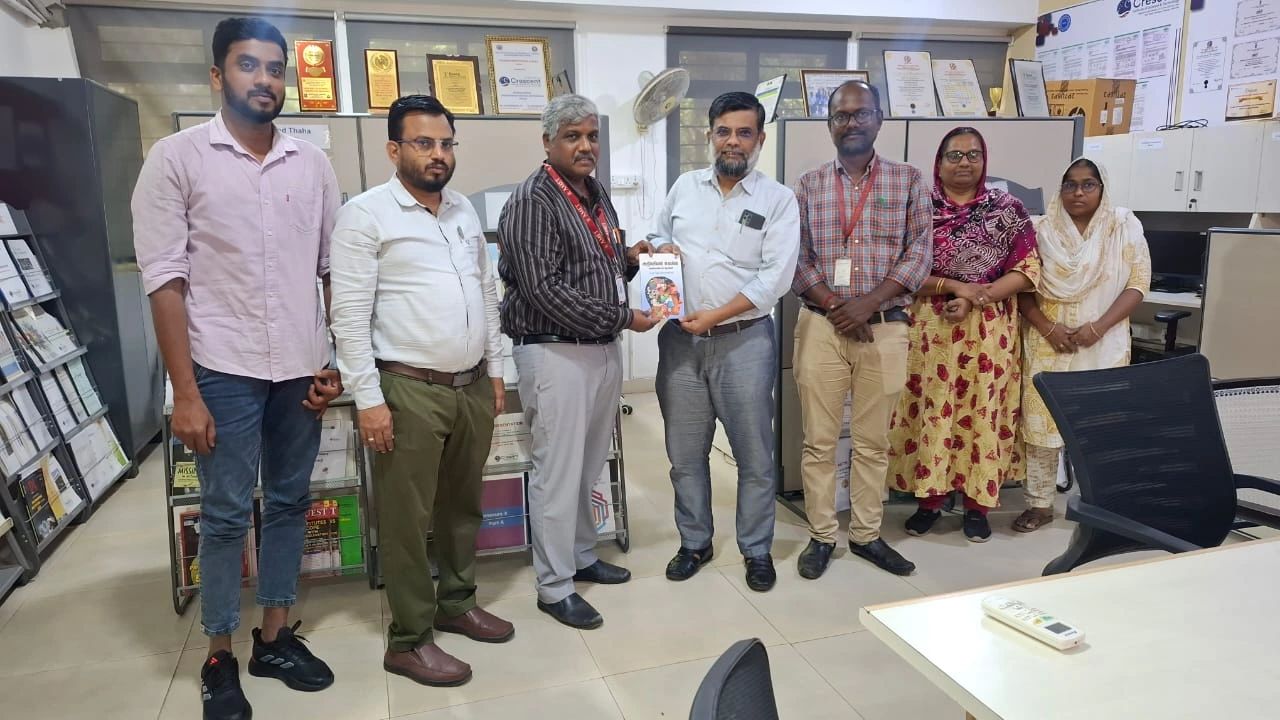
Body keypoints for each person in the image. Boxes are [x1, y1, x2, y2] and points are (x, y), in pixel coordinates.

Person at [132, 17, 342, 720]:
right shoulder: (176, 158)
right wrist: (185, 393)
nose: (265, 79)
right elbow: (165, 282)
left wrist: (333, 358)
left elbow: (330, 270)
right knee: (224, 514)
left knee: (288, 501)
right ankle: (219, 655)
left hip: (300, 367)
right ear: (218, 76)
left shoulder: (311, 164)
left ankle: (274, 637)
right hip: (220, 368)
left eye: (275, 68)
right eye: (249, 65)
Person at [329, 95, 515, 688]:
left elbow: (485, 294)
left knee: (462, 506)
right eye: (424, 143)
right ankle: (409, 639)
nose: (439, 154)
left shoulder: (461, 211)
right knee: (407, 520)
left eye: (446, 143)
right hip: (407, 389)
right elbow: (348, 317)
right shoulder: (365, 215)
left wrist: (495, 370)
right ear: (394, 149)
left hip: (470, 386)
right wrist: (369, 400)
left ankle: (456, 603)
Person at [497, 94, 658, 629]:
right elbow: (544, 290)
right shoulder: (533, 200)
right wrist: (623, 316)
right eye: (572, 137)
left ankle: (583, 556)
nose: (586, 146)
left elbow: (596, 266)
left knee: (589, 466)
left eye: (592, 136)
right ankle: (553, 585)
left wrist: (631, 259)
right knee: (558, 473)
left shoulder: (594, 191)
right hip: (555, 352)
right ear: (548, 142)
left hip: (600, 349)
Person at [651, 91, 800, 592]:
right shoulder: (684, 188)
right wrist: (662, 248)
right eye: (723, 131)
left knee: (754, 457)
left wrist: (715, 315)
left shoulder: (777, 200)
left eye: (744, 132)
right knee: (684, 456)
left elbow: (774, 279)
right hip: (680, 344)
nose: (732, 141)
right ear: (709, 134)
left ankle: (756, 549)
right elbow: (655, 236)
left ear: (759, 139)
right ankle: (694, 542)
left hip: (745, 342)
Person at [791, 80, 932, 580]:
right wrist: (835, 305)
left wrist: (868, 304)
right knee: (819, 441)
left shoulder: (908, 180)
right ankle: (822, 535)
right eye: (841, 116)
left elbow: (920, 253)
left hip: (885, 328)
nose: (851, 123)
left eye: (861, 113)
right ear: (829, 124)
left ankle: (867, 534)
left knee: (873, 442)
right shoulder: (807, 185)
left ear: (878, 119)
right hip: (821, 326)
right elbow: (796, 258)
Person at [887, 127, 1040, 543]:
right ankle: (930, 501)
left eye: (973, 155)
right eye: (954, 155)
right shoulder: (919, 209)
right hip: (931, 331)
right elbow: (901, 271)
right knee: (932, 410)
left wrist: (978, 297)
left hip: (989, 332)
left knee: (984, 413)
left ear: (984, 161)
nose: (964, 163)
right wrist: (956, 288)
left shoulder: (1008, 209)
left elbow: (1027, 270)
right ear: (938, 163)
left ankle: (977, 506)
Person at [1015, 158, 1150, 532]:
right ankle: (1039, 504)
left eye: (1088, 184)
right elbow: (1022, 287)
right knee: (1041, 428)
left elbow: (1138, 284)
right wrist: (1047, 328)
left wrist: (1098, 327)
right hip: (1047, 342)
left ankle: (1103, 501)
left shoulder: (1123, 226)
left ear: (1102, 188)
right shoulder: (1039, 230)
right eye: (1070, 184)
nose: (1078, 192)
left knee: (1101, 426)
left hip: (1103, 342)